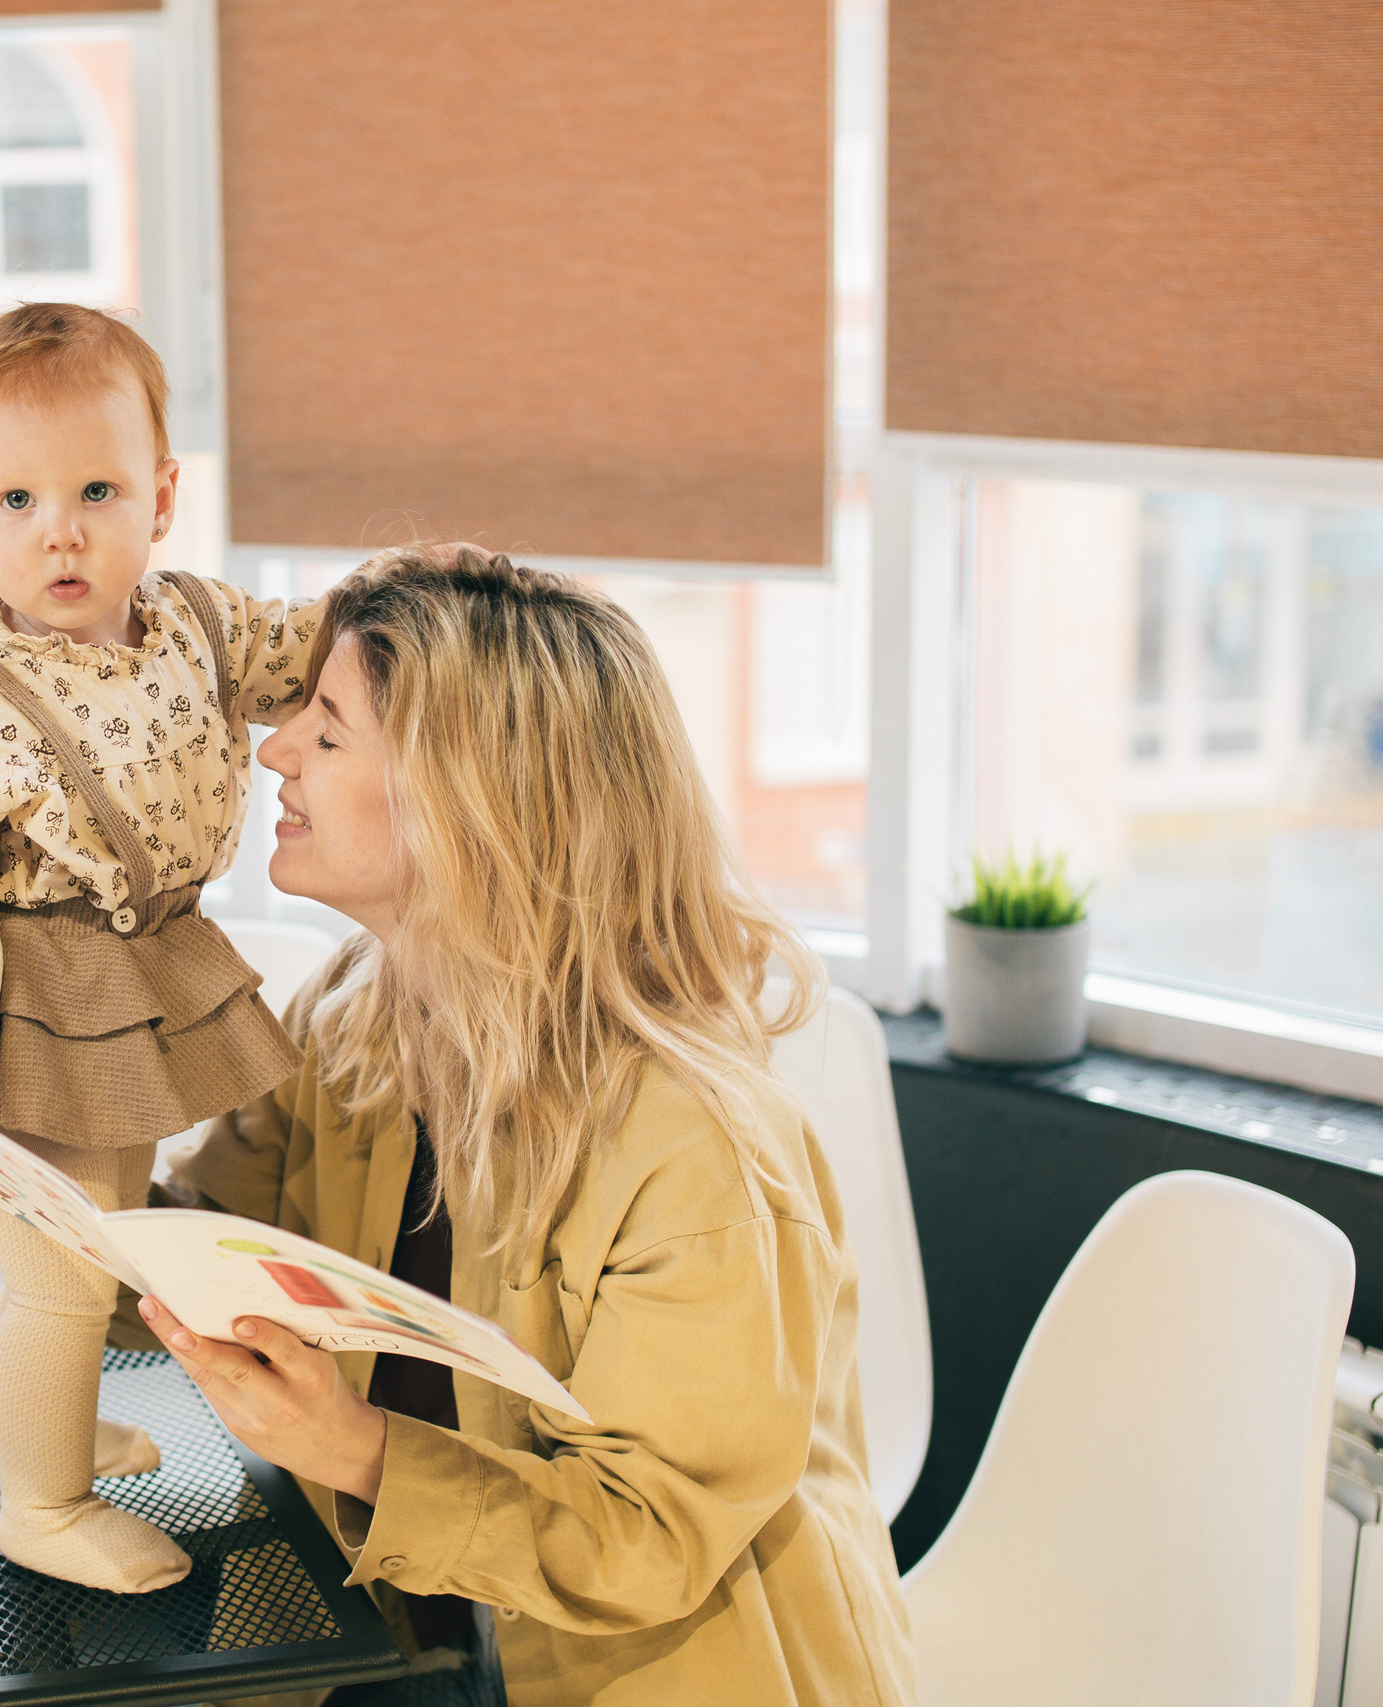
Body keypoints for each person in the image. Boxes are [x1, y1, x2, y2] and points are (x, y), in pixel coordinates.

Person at [128, 546, 915, 1703]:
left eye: (328, 730)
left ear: (471, 802)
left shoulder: (700, 1150)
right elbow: (187, 1254)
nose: (276, 749)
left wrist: (351, 1448)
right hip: (406, 1629)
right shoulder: (352, 1015)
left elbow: (648, 1538)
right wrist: (25, 1146)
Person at [0, 303, 319, 1595]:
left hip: (136, 984)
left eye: (97, 489)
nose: (62, 528)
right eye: (18, 498)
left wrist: (422, 606)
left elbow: (312, 646)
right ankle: (42, 1496)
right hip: (20, 1008)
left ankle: (42, 1417)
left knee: (107, 1231)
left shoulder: (193, 622)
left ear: (162, 495)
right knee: (66, 1274)